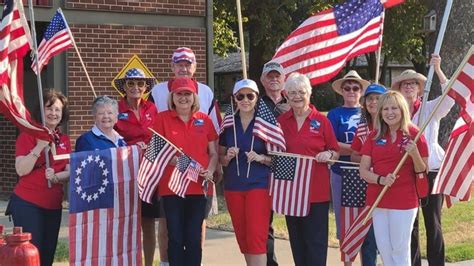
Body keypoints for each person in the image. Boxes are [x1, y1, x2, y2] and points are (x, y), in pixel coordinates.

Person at [150, 47, 221, 266]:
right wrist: (184, 164)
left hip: (197, 187)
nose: (183, 98)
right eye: (179, 94)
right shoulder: (161, 119)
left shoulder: (205, 120)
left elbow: (213, 152)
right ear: (172, 97)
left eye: (187, 94)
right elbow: (154, 152)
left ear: (194, 96)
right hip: (171, 187)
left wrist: (210, 169)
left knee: (192, 237)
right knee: (176, 236)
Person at [391, 54, 454, 266]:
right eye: (405, 84)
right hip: (406, 171)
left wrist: (438, 69)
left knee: (433, 223)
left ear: (419, 88)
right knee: (411, 223)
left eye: (413, 84)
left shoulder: (430, 108)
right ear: (399, 89)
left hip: (432, 170)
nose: (409, 87)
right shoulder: (395, 113)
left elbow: (451, 98)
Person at [359, 91, 429, 266]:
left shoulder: (414, 133)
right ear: (381, 112)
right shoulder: (373, 136)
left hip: (404, 200)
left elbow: (423, 170)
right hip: (378, 198)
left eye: (394, 108)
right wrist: (381, 179)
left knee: (400, 248)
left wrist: (414, 154)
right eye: (386, 109)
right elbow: (363, 171)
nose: (390, 112)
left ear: (402, 109)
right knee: (384, 249)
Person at [277, 72, 340, 266]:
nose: (297, 96)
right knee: (297, 242)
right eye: (293, 92)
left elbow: (335, 151)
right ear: (286, 94)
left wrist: (328, 155)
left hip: (316, 192)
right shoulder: (281, 122)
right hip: (291, 192)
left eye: (301, 92)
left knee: (316, 243)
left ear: (309, 93)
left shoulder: (321, 121)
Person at [7, 90, 71, 266]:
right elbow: (21, 170)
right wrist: (38, 148)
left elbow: (70, 170)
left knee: (48, 253)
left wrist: (57, 177)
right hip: (28, 204)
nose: (53, 113)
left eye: (58, 110)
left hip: (53, 205)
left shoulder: (64, 139)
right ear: (41, 111)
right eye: (49, 108)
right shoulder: (28, 136)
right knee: (32, 255)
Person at [219, 79, 273, 266]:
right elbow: (220, 157)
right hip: (233, 186)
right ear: (234, 99)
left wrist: (261, 158)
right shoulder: (228, 123)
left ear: (257, 98)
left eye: (250, 96)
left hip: (259, 185)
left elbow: (278, 158)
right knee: (243, 238)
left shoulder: (266, 123)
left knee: (257, 238)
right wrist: (227, 156)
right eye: (240, 96)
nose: (245, 100)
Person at [113, 67, 159, 266]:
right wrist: (132, 146)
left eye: (140, 83)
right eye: (131, 83)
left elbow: (160, 138)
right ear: (124, 86)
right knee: (126, 223)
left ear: (146, 87)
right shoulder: (115, 109)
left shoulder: (153, 109)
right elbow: (110, 139)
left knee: (148, 223)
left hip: (149, 173)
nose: (136, 87)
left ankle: (148, 264)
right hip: (124, 172)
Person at [327, 70, 370, 248]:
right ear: (342, 91)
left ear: (361, 91)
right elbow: (330, 142)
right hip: (340, 172)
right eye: (347, 88)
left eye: (355, 88)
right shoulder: (335, 114)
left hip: (366, 173)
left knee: (365, 220)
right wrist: (357, 151)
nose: (351, 91)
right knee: (344, 221)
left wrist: (360, 154)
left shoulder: (368, 113)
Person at [349, 84, 387, 265]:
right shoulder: (363, 128)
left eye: (378, 98)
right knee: (369, 236)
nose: (373, 102)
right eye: (370, 98)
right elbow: (354, 154)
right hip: (368, 187)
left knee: (390, 237)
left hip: (390, 188)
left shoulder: (393, 125)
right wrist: (368, 161)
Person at [259, 61, 289, 266]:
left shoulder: (293, 102)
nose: (274, 79)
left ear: (284, 78)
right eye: (270, 76)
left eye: (277, 75)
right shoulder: (255, 102)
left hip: (290, 167)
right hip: (264, 166)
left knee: (294, 219)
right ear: (262, 80)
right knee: (264, 222)